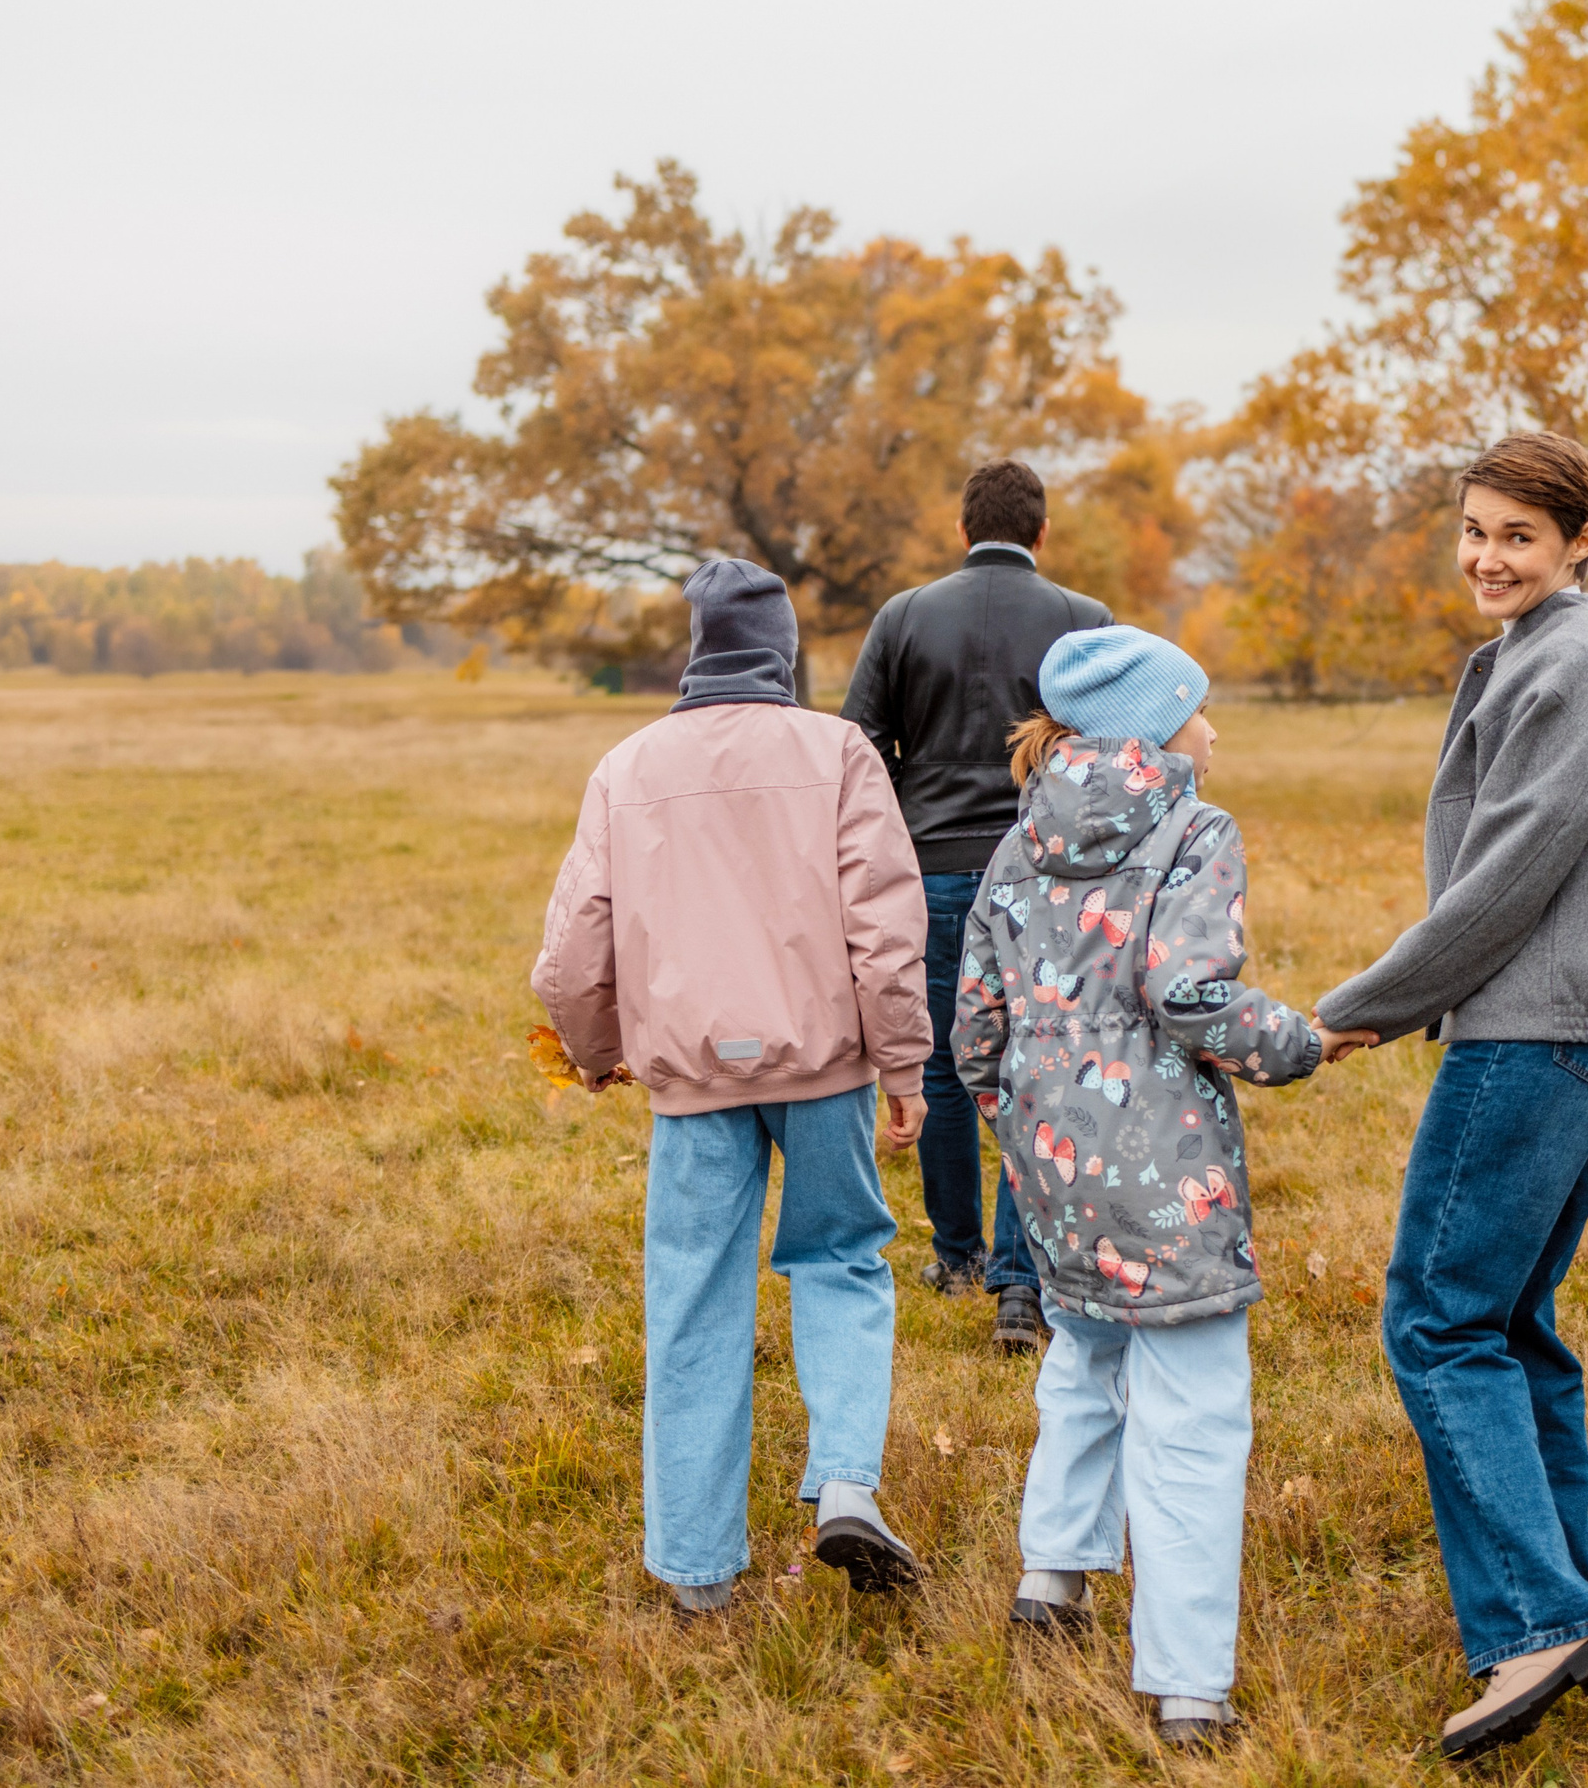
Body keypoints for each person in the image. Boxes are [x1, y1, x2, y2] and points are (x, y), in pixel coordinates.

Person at [1309, 433, 1588, 1762]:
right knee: (1511, 1319)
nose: (1488, 556)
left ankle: (1537, 1619)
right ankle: (1568, 1599)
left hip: (1541, 1036)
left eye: (1518, 536)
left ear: (1581, 540)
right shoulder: (1549, 651)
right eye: (1475, 530)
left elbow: (1511, 874)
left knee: (1436, 1319)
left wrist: (1368, 1005)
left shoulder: (1568, 659)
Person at [532, 558, 934, 1617]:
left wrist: (596, 1051)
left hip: (691, 1078)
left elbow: (571, 951)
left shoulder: (627, 765)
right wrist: (902, 1062)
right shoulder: (838, 750)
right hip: (826, 1066)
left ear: (696, 647)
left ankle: (698, 1569)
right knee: (840, 1258)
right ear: (784, 652)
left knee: (694, 1299)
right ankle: (845, 1482)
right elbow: (885, 927)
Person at [952, 626, 1324, 1753]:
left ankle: (1051, 1573)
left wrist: (1018, 1118)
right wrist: (1299, 1041)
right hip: (1165, 1170)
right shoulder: (1193, 828)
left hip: (1050, 1162)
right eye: (1198, 708)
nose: (1214, 728)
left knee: (1084, 1346)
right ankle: (1187, 1683)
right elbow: (1188, 991)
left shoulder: (1018, 840)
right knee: (1194, 1409)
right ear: (1154, 727)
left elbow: (975, 1024)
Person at [843, 458, 1111, 1354]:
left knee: (945, 1062)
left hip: (927, 869)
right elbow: (1116, 746)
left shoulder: (903, 615)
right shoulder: (1085, 619)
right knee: (1037, 1062)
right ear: (1042, 532)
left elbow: (859, 743)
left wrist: (899, 820)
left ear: (962, 530)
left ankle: (956, 1254)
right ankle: (1020, 1282)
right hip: (1044, 875)